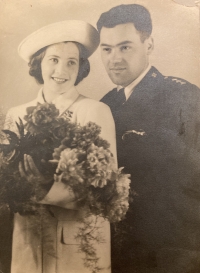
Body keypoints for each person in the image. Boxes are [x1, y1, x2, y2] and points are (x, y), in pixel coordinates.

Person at [5, 20, 116, 273]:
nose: (61, 70)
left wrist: (41, 189)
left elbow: (104, 187)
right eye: (53, 60)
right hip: (27, 241)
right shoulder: (16, 114)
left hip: (78, 245)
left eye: (71, 62)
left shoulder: (94, 111)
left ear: (80, 68)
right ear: (38, 64)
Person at [97, 4, 200, 273]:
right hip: (119, 251)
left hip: (173, 250)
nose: (114, 58)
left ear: (149, 44)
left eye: (125, 47)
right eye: (106, 49)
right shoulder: (104, 106)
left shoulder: (184, 96)